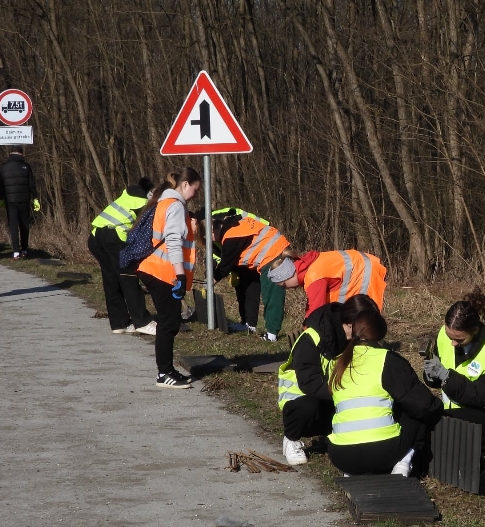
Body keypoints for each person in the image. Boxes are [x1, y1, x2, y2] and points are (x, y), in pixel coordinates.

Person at [325, 308, 442, 477]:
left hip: (340, 455)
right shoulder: (388, 360)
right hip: (382, 452)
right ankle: (404, 462)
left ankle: (353, 472)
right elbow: (423, 405)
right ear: (381, 334)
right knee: (414, 408)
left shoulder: (335, 363)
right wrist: (439, 406)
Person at [422, 290, 485, 474]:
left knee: (442, 418)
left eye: (459, 339)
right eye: (450, 337)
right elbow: (436, 382)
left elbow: (480, 396)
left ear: (474, 330)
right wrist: (430, 373)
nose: (453, 343)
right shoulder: (445, 335)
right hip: (457, 409)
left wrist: (445, 376)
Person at [278, 294, 380, 466]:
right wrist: (348, 395)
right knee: (308, 406)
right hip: (303, 401)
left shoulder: (360, 341)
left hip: (337, 398)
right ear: (351, 323)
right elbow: (310, 384)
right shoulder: (311, 339)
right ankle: (291, 439)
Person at [136, 167, 202, 389]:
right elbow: (173, 241)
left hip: (156, 269)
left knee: (170, 322)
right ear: (185, 185)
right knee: (168, 323)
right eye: (195, 189)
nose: (195, 194)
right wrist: (180, 276)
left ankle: (167, 370)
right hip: (161, 270)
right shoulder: (174, 205)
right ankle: (164, 374)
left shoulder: (164, 202)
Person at [211, 208, 294, 341]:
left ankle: (272, 334)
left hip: (272, 253)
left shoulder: (230, 235)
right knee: (270, 293)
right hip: (271, 251)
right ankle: (252, 325)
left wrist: (210, 282)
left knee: (272, 294)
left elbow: (224, 266)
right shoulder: (233, 226)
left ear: (212, 231)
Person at [88, 178, 157, 335]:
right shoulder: (143, 202)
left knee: (111, 279)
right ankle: (142, 321)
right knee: (128, 277)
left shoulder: (128, 195)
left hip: (95, 237)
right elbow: (145, 230)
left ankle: (120, 323)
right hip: (114, 237)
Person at [267, 249, 387, 322]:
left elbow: (316, 312)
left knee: (365, 315)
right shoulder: (306, 265)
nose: (287, 289)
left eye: (283, 285)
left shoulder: (314, 277)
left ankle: (370, 345)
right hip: (361, 265)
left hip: (364, 271)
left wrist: (308, 333)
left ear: (288, 275)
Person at [0, 147, 38, 259]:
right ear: (21, 153)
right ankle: (24, 249)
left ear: (10, 153)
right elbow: (31, 184)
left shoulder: (3, 167)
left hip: (10, 201)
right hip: (24, 199)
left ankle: (15, 251)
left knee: (13, 226)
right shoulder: (26, 166)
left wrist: (1, 199)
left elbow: (1, 185)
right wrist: (35, 198)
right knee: (24, 225)